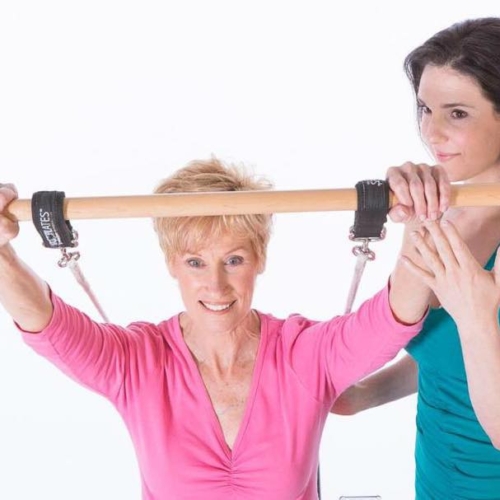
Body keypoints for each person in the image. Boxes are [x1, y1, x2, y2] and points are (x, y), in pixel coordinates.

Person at [0, 155, 442, 500]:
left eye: (234, 260)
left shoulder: (303, 355)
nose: (215, 285)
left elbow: (390, 319)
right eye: (195, 262)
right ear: (172, 265)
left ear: (259, 259)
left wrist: (420, 214)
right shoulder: (137, 363)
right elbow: (47, 323)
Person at [331, 17, 500, 500]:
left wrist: (476, 317)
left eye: (458, 113)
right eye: (426, 108)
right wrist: (364, 396)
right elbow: (447, 360)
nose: (432, 132)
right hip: (435, 485)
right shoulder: (449, 217)